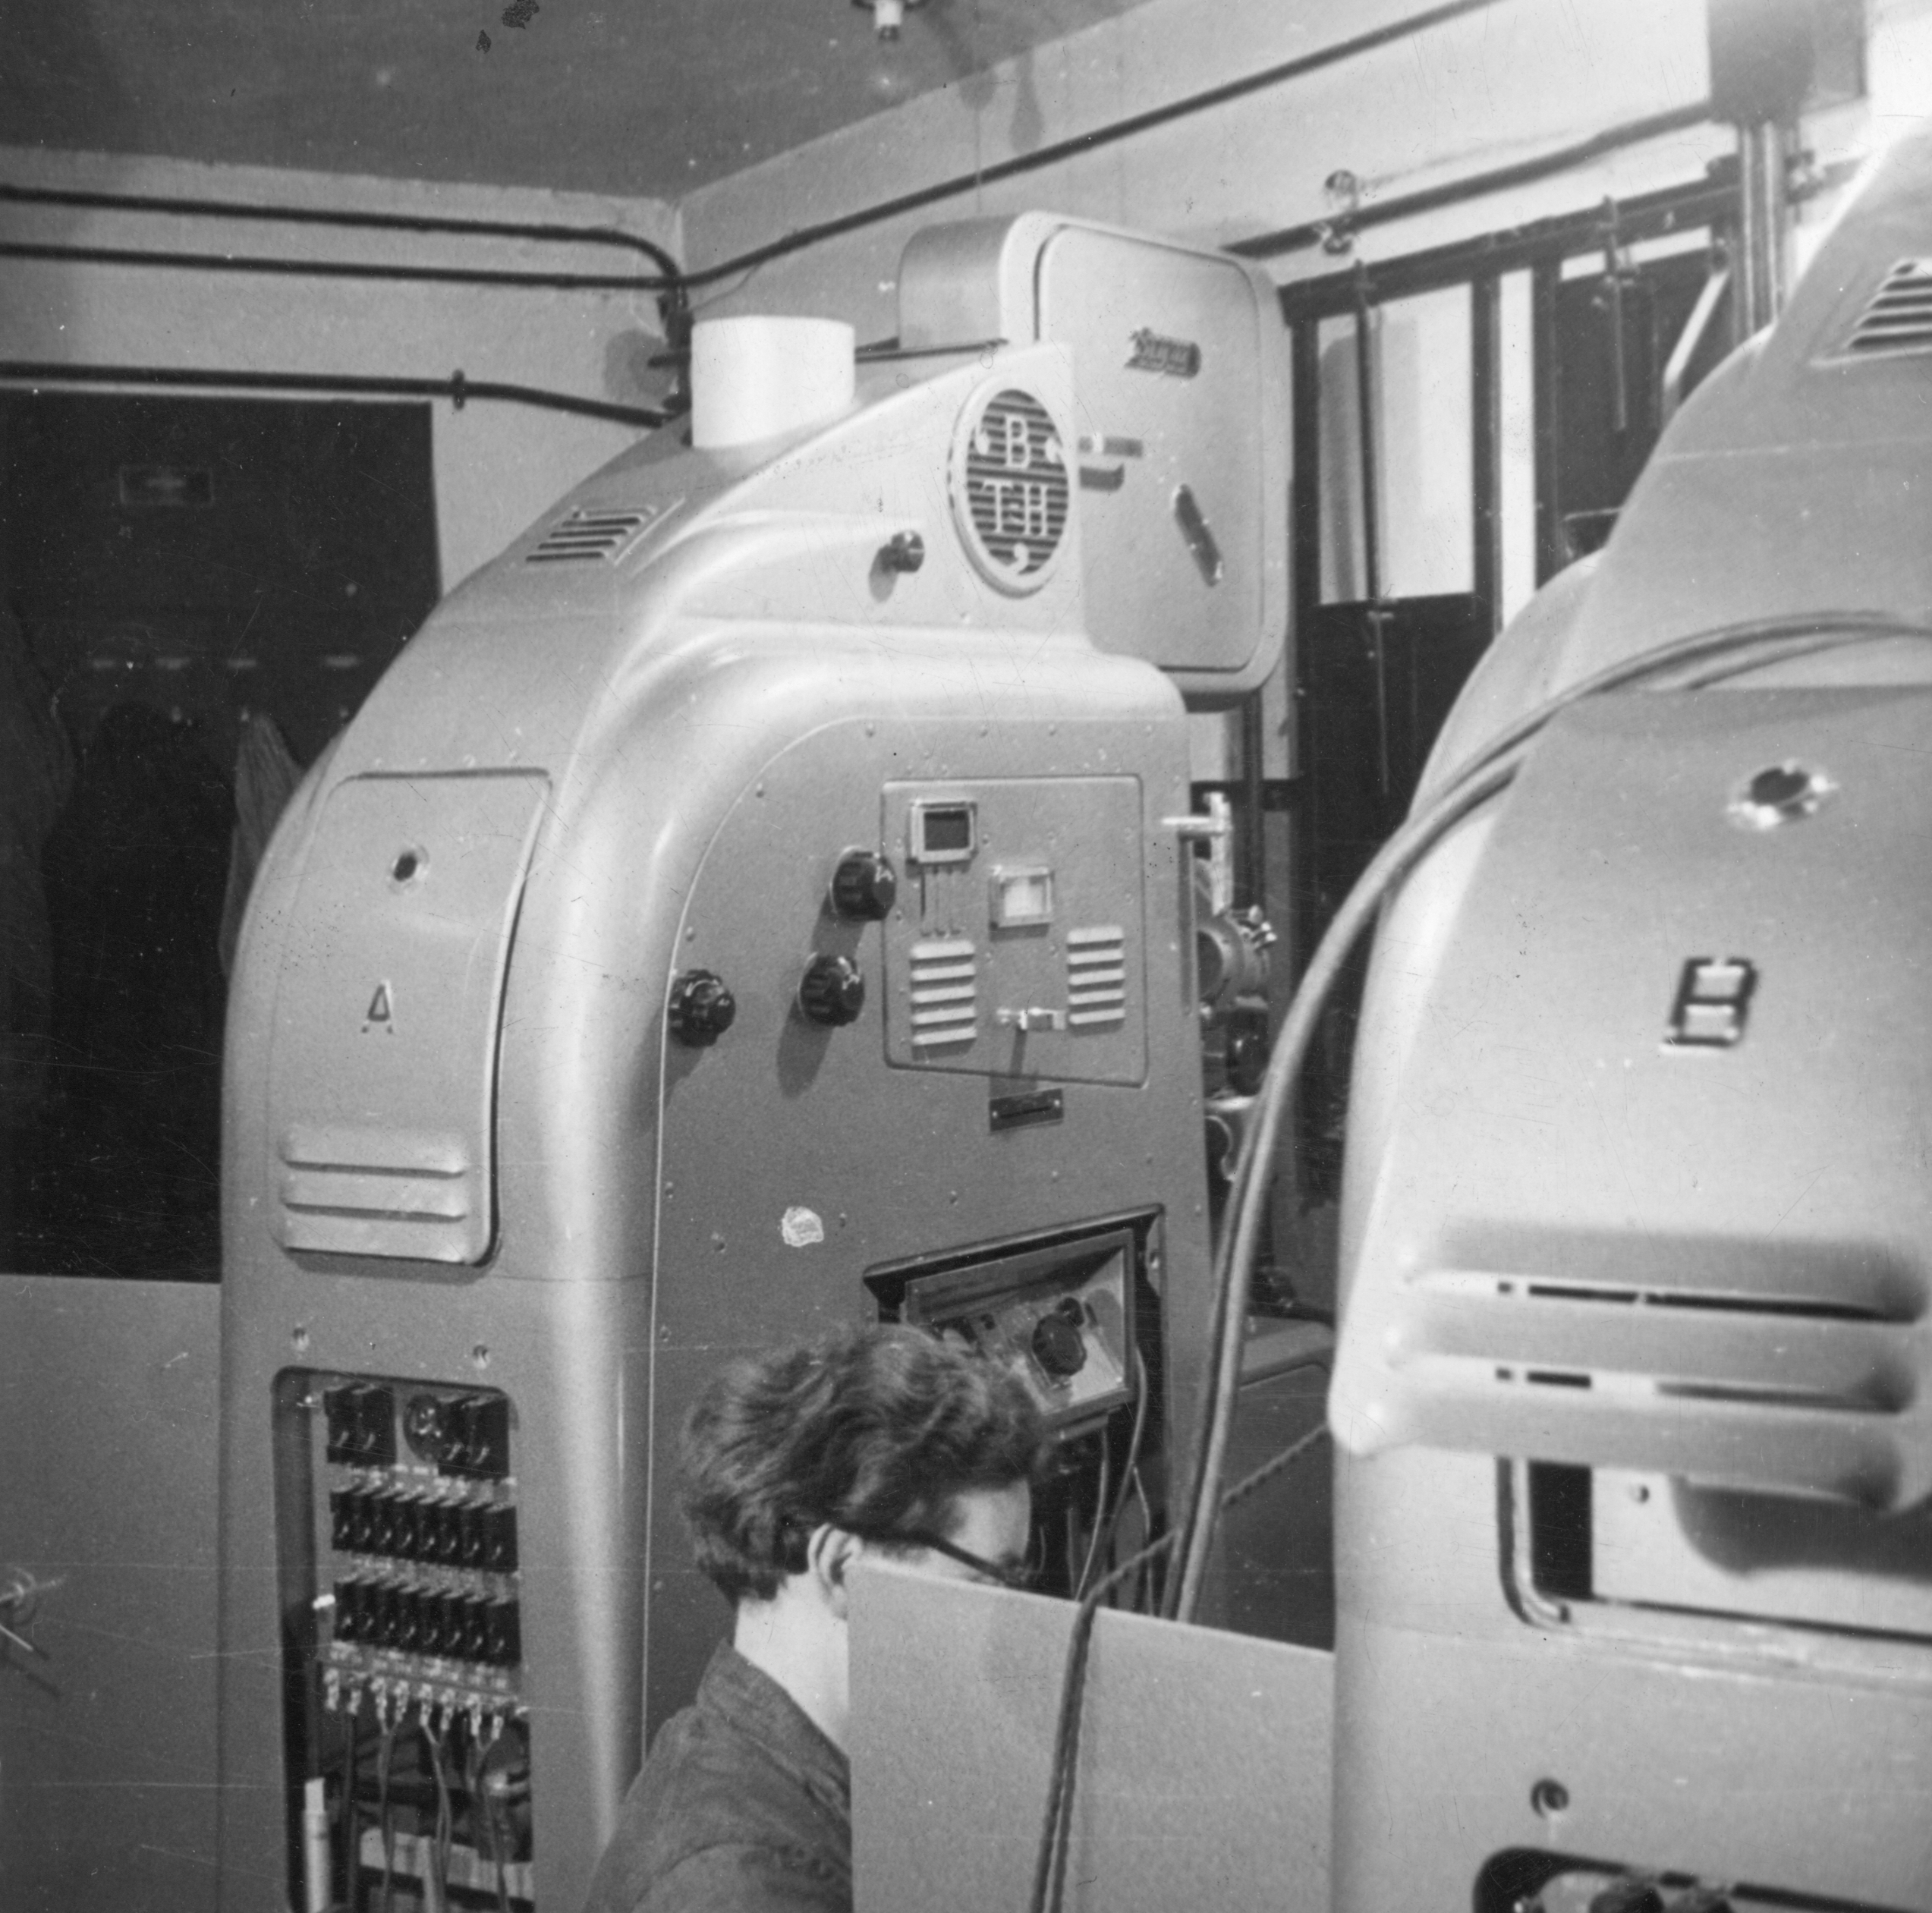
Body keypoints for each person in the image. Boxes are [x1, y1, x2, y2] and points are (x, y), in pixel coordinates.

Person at [583, 1322, 1048, 1913]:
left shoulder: (807, 1776)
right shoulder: (740, 1884)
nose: (1005, 1627)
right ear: (843, 1569)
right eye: (989, 1583)